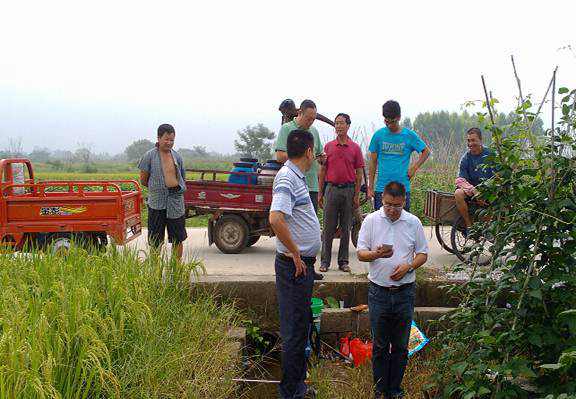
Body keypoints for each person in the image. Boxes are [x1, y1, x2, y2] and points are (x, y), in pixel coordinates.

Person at [356, 181, 428, 399]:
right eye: (388, 205)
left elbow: (423, 254)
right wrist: (376, 254)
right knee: (379, 345)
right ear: (382, 200)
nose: (392, 210)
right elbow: (361, 253)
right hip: (379, 292)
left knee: (399, 347)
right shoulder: (371, 220)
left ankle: (395, 390)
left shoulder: (413, 222)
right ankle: (380, 391)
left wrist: (409, 266)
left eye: (397, 205)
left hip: (404, 292)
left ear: (404, 202)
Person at [269, 129, 322, 399]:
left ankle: (297, 387)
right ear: (309, 151)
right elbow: (276, 218)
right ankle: (290, 393)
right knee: (293, 331)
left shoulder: (296, 177)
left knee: (301, 328)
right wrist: (297, 254)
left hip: (301, 267)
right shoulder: (288, 177)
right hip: (294, 267)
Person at [276, 99, 324, 280]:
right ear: (300, 114)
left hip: (310, 183)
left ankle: (309, 266)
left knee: (309, 223)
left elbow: (318, 153)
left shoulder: (314, 132)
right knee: (292, 223)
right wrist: (298, 155)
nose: (310, 122)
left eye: (314, 119)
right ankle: (294, 259)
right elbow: (279, 155)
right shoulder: (287, 129)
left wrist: (320, 157)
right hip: (295, 182)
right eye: (308, 118)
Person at [318, 113, 364, 273]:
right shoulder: (328, 147)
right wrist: (320, 193)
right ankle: (324, 262)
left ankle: (343, 262)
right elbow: (323, 170)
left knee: (346, 228)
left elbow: (359, 174)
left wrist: (356, 195)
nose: (338, 126)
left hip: (348, 191)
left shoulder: (355, 148)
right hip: (331, 190)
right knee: (328, 228)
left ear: (348, 125)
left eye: (341, 123)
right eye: (336, 123)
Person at [368, 100, 431, 211]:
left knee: (403, 224)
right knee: (381, 224)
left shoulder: (409, 135)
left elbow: (426, 152)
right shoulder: (378, 136)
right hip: (382, 188)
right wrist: (370, 187)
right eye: (386, 122)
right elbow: (372, 162)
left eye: (392, 122)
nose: (389, 125)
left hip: (402, 188)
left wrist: (414, 168)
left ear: (399, 118)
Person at [138, 123, 187, 262]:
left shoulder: (177, 157)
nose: (169, 142)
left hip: (175, 201)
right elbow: (143, 180)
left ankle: (176, 267)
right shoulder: (149, 156)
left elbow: (182, 178)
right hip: (156, 203)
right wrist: (158, 189)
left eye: (172, 140)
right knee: (155, 239)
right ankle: (155, 270)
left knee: (178, 238)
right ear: (158, 138)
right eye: (166, 139)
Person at [454, 127, 494, 227]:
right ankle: (469, 225)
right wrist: (474, 191)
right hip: (472, 191)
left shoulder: (490, 155)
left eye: (473, 140)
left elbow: (498, 176)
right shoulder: (465, 158)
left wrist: (485, 192)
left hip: (488, 190)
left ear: (480, 140)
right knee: (458, 193)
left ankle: (488, 225)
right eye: (468, 141)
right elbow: (459, 180)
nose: (470, 144)